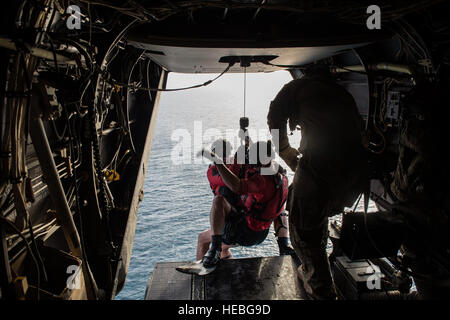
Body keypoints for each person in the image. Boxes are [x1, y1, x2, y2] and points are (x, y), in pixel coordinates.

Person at [267, 64, 367, 300]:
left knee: (304, 233)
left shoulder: (296, 88)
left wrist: (285, 151)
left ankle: (322, 290)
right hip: (353, 176)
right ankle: (315, 271)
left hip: (319, 170)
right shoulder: (342, 93)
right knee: (315, 220)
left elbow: (274, 117)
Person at [197, 141, 290, 269]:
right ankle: (284, 245)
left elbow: (235, 185)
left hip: (244, 231)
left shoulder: (260, 181)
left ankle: (214, 251)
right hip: (262, 231)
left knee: (204, 234)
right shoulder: (281, 176)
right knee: (278, 204)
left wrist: (218, 161)